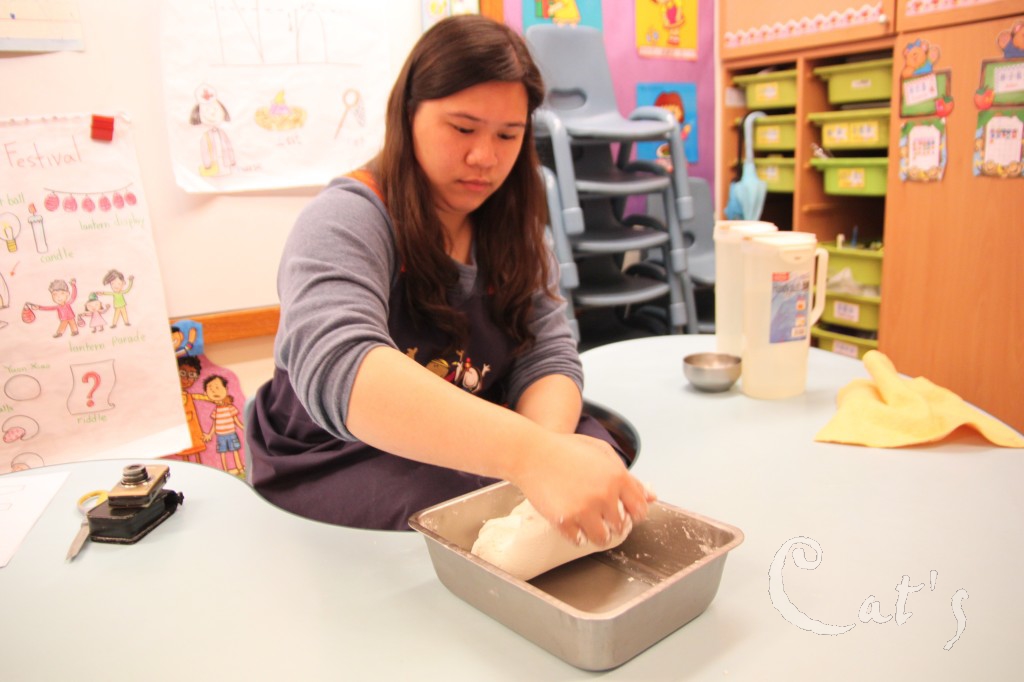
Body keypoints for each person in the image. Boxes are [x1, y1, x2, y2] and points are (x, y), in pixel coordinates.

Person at [248, 15, 653, 542]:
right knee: (462, 512)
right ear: (408, 114)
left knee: (599, 459)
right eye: (462, 129)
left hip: (483, 430)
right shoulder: (346, 218)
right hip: (339, 450)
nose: (484, 157)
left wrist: (550, 454)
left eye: (508, 135)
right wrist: (532, 457)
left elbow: (547, 356)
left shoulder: (514, 227)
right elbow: (343, 367)